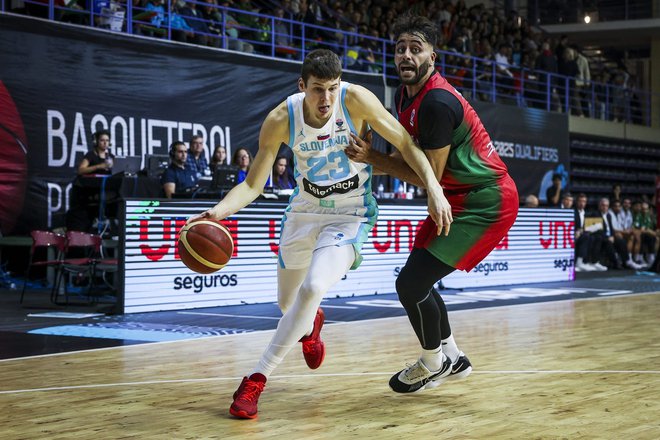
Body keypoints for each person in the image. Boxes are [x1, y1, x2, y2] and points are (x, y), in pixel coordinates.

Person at [188, 48, 447, 419]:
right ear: (301, 86)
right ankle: (311, 327)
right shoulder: (281, 117)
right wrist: (217, 213)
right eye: (317, 89)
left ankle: (255, 379)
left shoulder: (355, 100)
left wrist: (433, 189)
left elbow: (407, 144)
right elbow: (252, 185)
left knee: (312, 289)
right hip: (304, 212)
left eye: (332, 88)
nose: (326, 99)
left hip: (350, 214)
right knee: (288, 306)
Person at [346, 14, 518, 394]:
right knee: (418, 280)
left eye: (415, 48)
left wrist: (374, 159)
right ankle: (453, 357)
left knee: (410, 283)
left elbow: (430, 177)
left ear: (432, 57)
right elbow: (415, 160)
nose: (406, 55)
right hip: (458, 194)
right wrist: (380, 158)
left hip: (485, 201)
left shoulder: (437, 103)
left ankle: (432, 362)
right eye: (400, 49)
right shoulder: (403, 92)